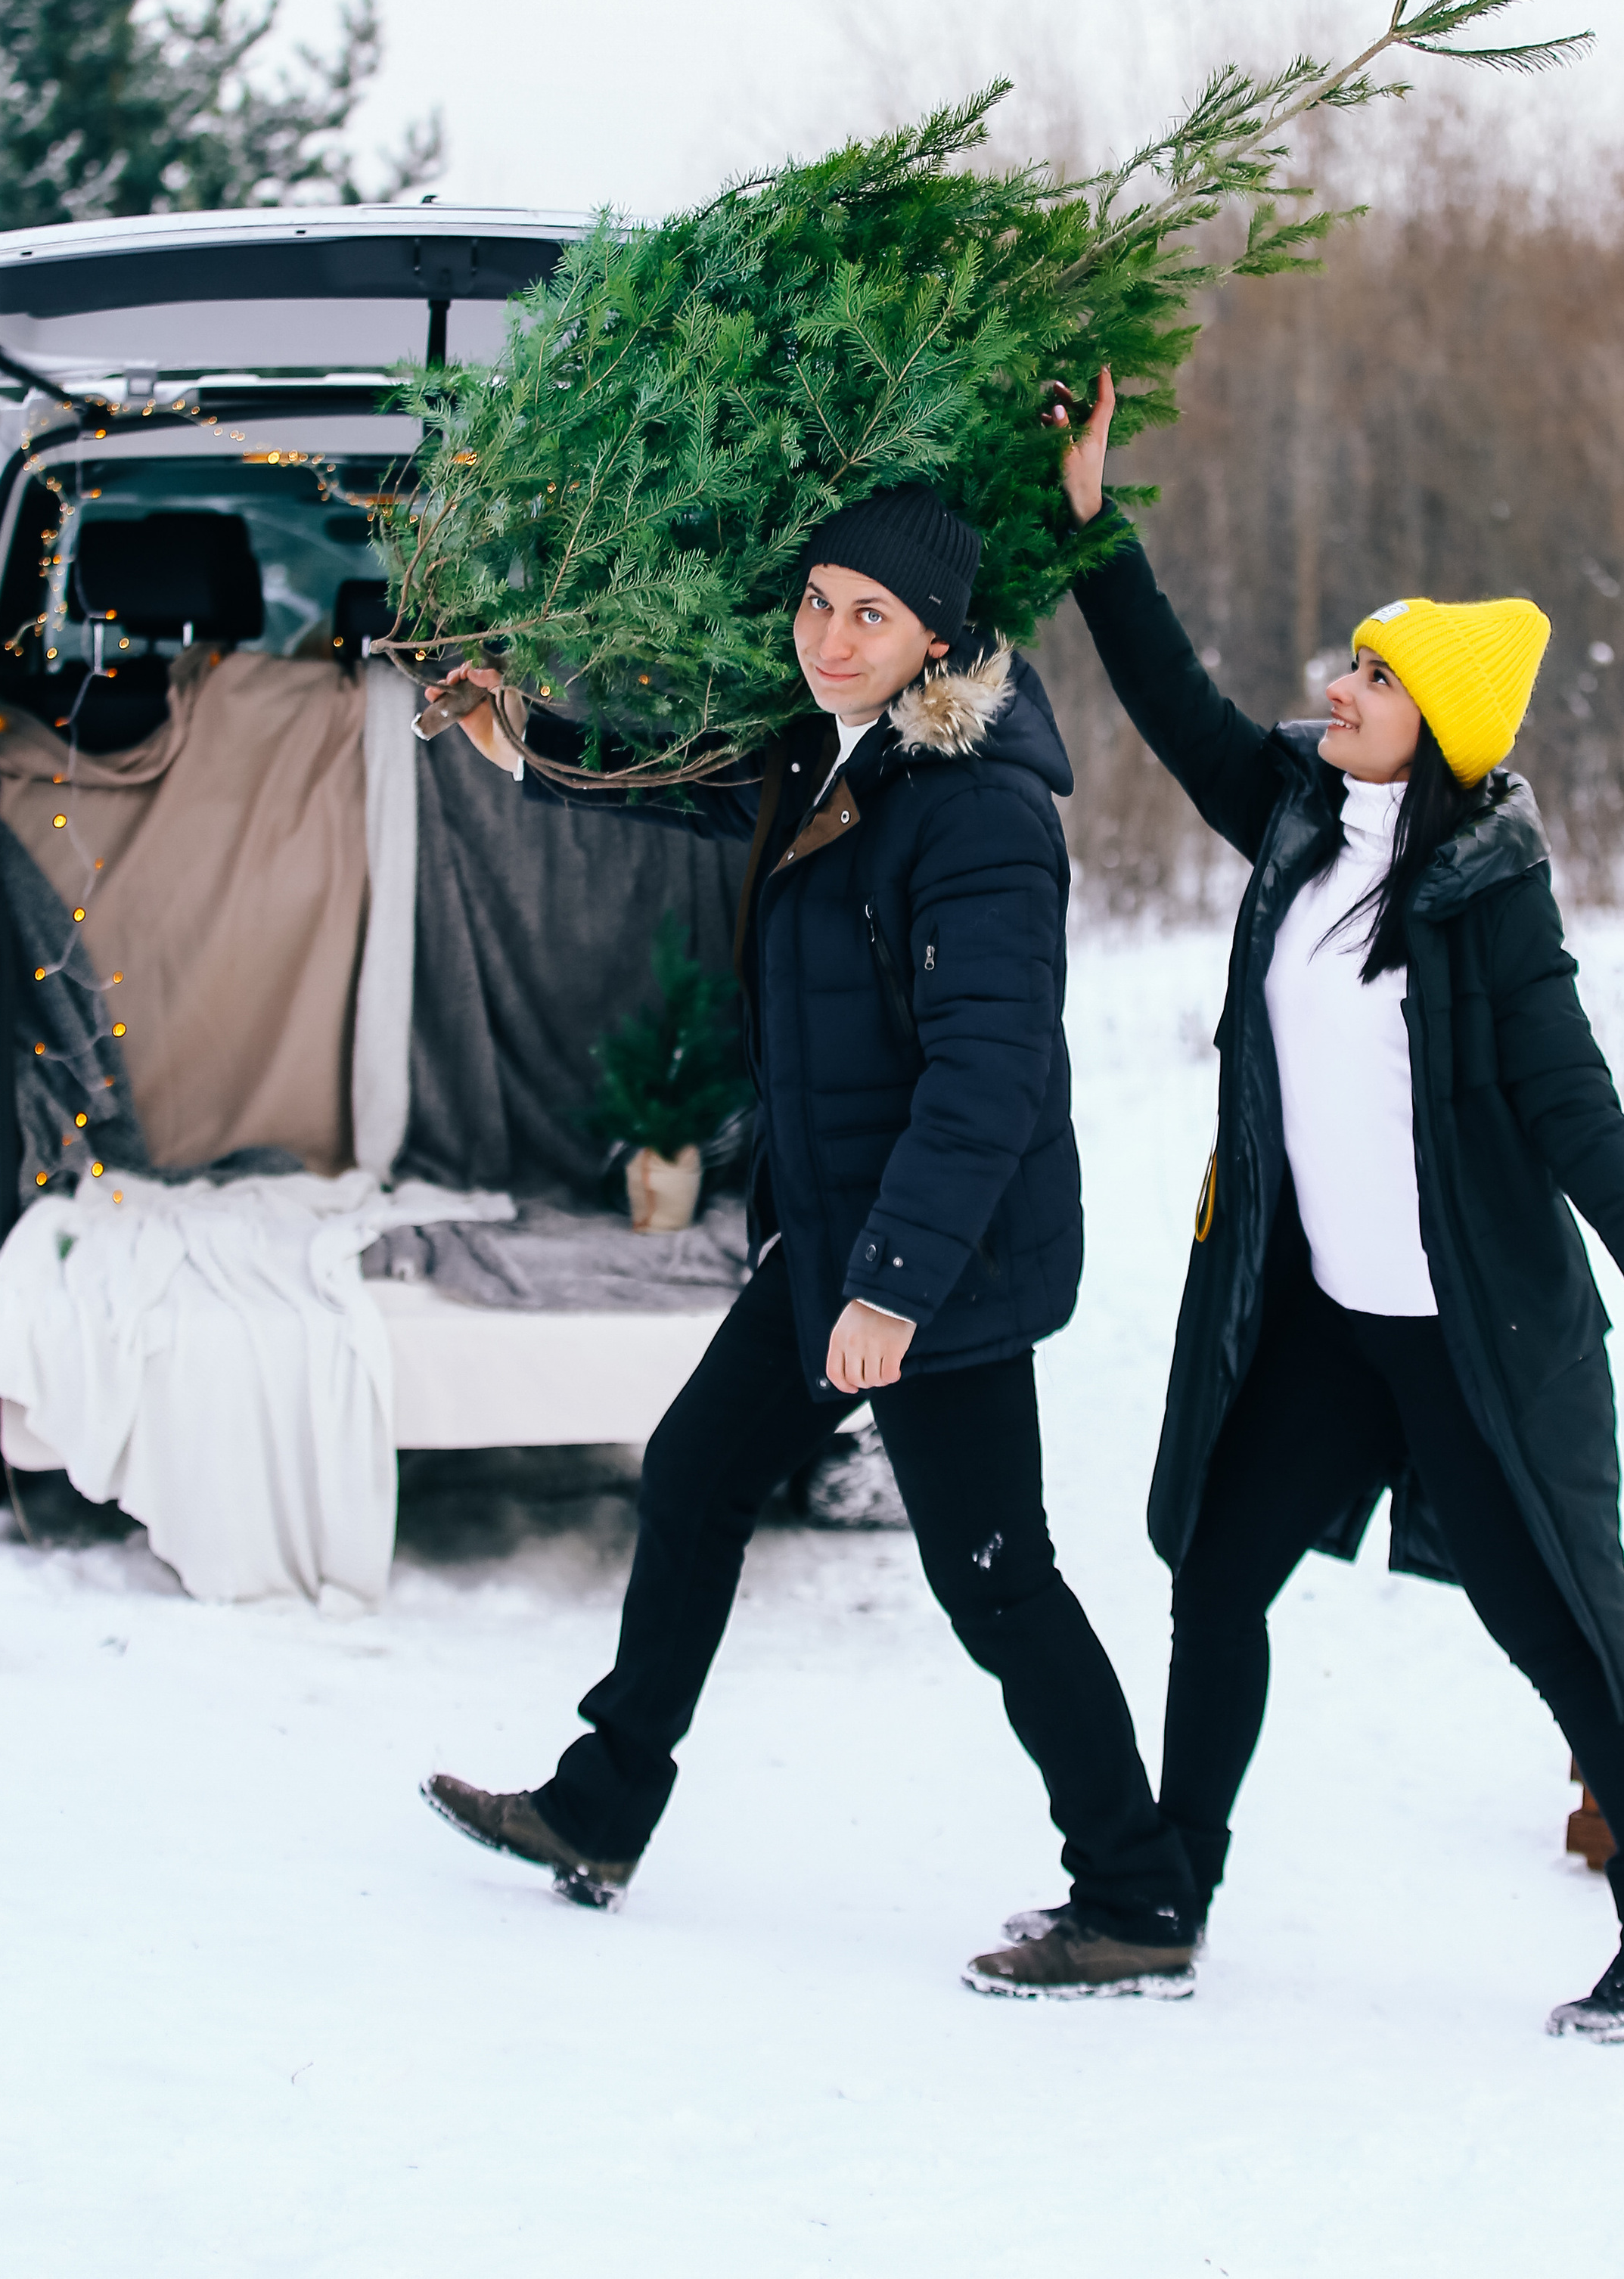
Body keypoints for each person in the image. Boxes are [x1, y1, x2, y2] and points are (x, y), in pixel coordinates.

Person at [1030, 366, 1624, 2043]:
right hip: (1320, 1319)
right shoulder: (1288, 815)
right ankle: (1171, 1894)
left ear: (1438, 718)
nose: (1334, 685)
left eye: (1369, 673)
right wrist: (1090, 523)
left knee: (1550, 1624)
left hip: (1467, 1337)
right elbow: (1169, 695)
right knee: (1215, 1577)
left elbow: (1566, 1097)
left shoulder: (1483, 892)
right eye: (1345, 662)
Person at [420, 485, 1200, 1996]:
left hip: (938, 1263)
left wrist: (893, 1291)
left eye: (869, 616)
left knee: (993, 1579)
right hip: (836, 1237)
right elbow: (670, 782)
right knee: (698, 1473)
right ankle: (600, 1811)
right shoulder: (822, 752)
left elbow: (987, 1079)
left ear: (934, 643)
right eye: (817, 601)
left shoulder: (977, 817)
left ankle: (1136, 1893)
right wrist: (517, 734)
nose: (827, 637)